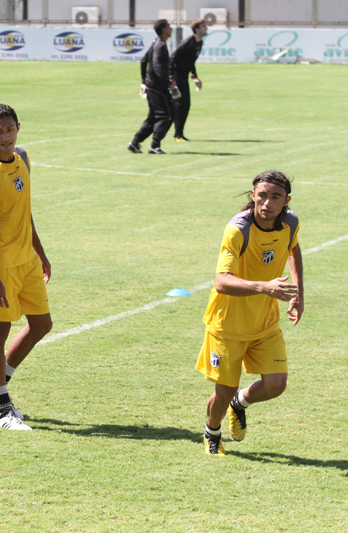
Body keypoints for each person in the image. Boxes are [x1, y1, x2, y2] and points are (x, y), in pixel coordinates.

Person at [196, 171, 303, 456]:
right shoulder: (238, 230)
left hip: (264, 322)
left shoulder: (290, 222)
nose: (267, 202)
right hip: (227, 324)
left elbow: (292, 248)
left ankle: (240, 403)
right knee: (223, 391)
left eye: (276, 197)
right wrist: (264, 287)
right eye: (262, 195)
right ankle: (212, 431)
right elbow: (222, 281)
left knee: (276, 385)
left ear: (286, 201)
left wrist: (299, 293)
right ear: (253, 195)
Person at [0, 104, 53, 431]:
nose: (5, 136)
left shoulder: (23, 159)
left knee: (41, 324)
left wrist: (40, 251)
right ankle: (3, 409)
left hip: (26, 260)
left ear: (18, 127)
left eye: (10, 129)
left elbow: (24, 210)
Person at [128, 19, 180, 155]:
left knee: (153, 117)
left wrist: (143, 81)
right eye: (168, 26)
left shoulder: (155, 43)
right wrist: (169, 84)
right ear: (164, 29)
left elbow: (143, 61)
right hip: (158, 87)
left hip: (152, 86)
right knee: (166, 116)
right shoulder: (161, 45)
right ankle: (154, 145)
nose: (170, 28)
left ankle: (135, 143)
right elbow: (157, 67)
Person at [170, 18, 207, 141]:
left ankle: (179, 133)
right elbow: (172, 58)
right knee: (181, 105)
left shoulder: (199, 43)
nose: (206, 28)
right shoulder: (187, 42)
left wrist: (194, 76)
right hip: (177, 76)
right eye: (203, 26)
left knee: (185, 105)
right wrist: (172, 78)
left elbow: (191, 61)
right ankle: (177, 134)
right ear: (197, 29)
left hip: (184, 76)